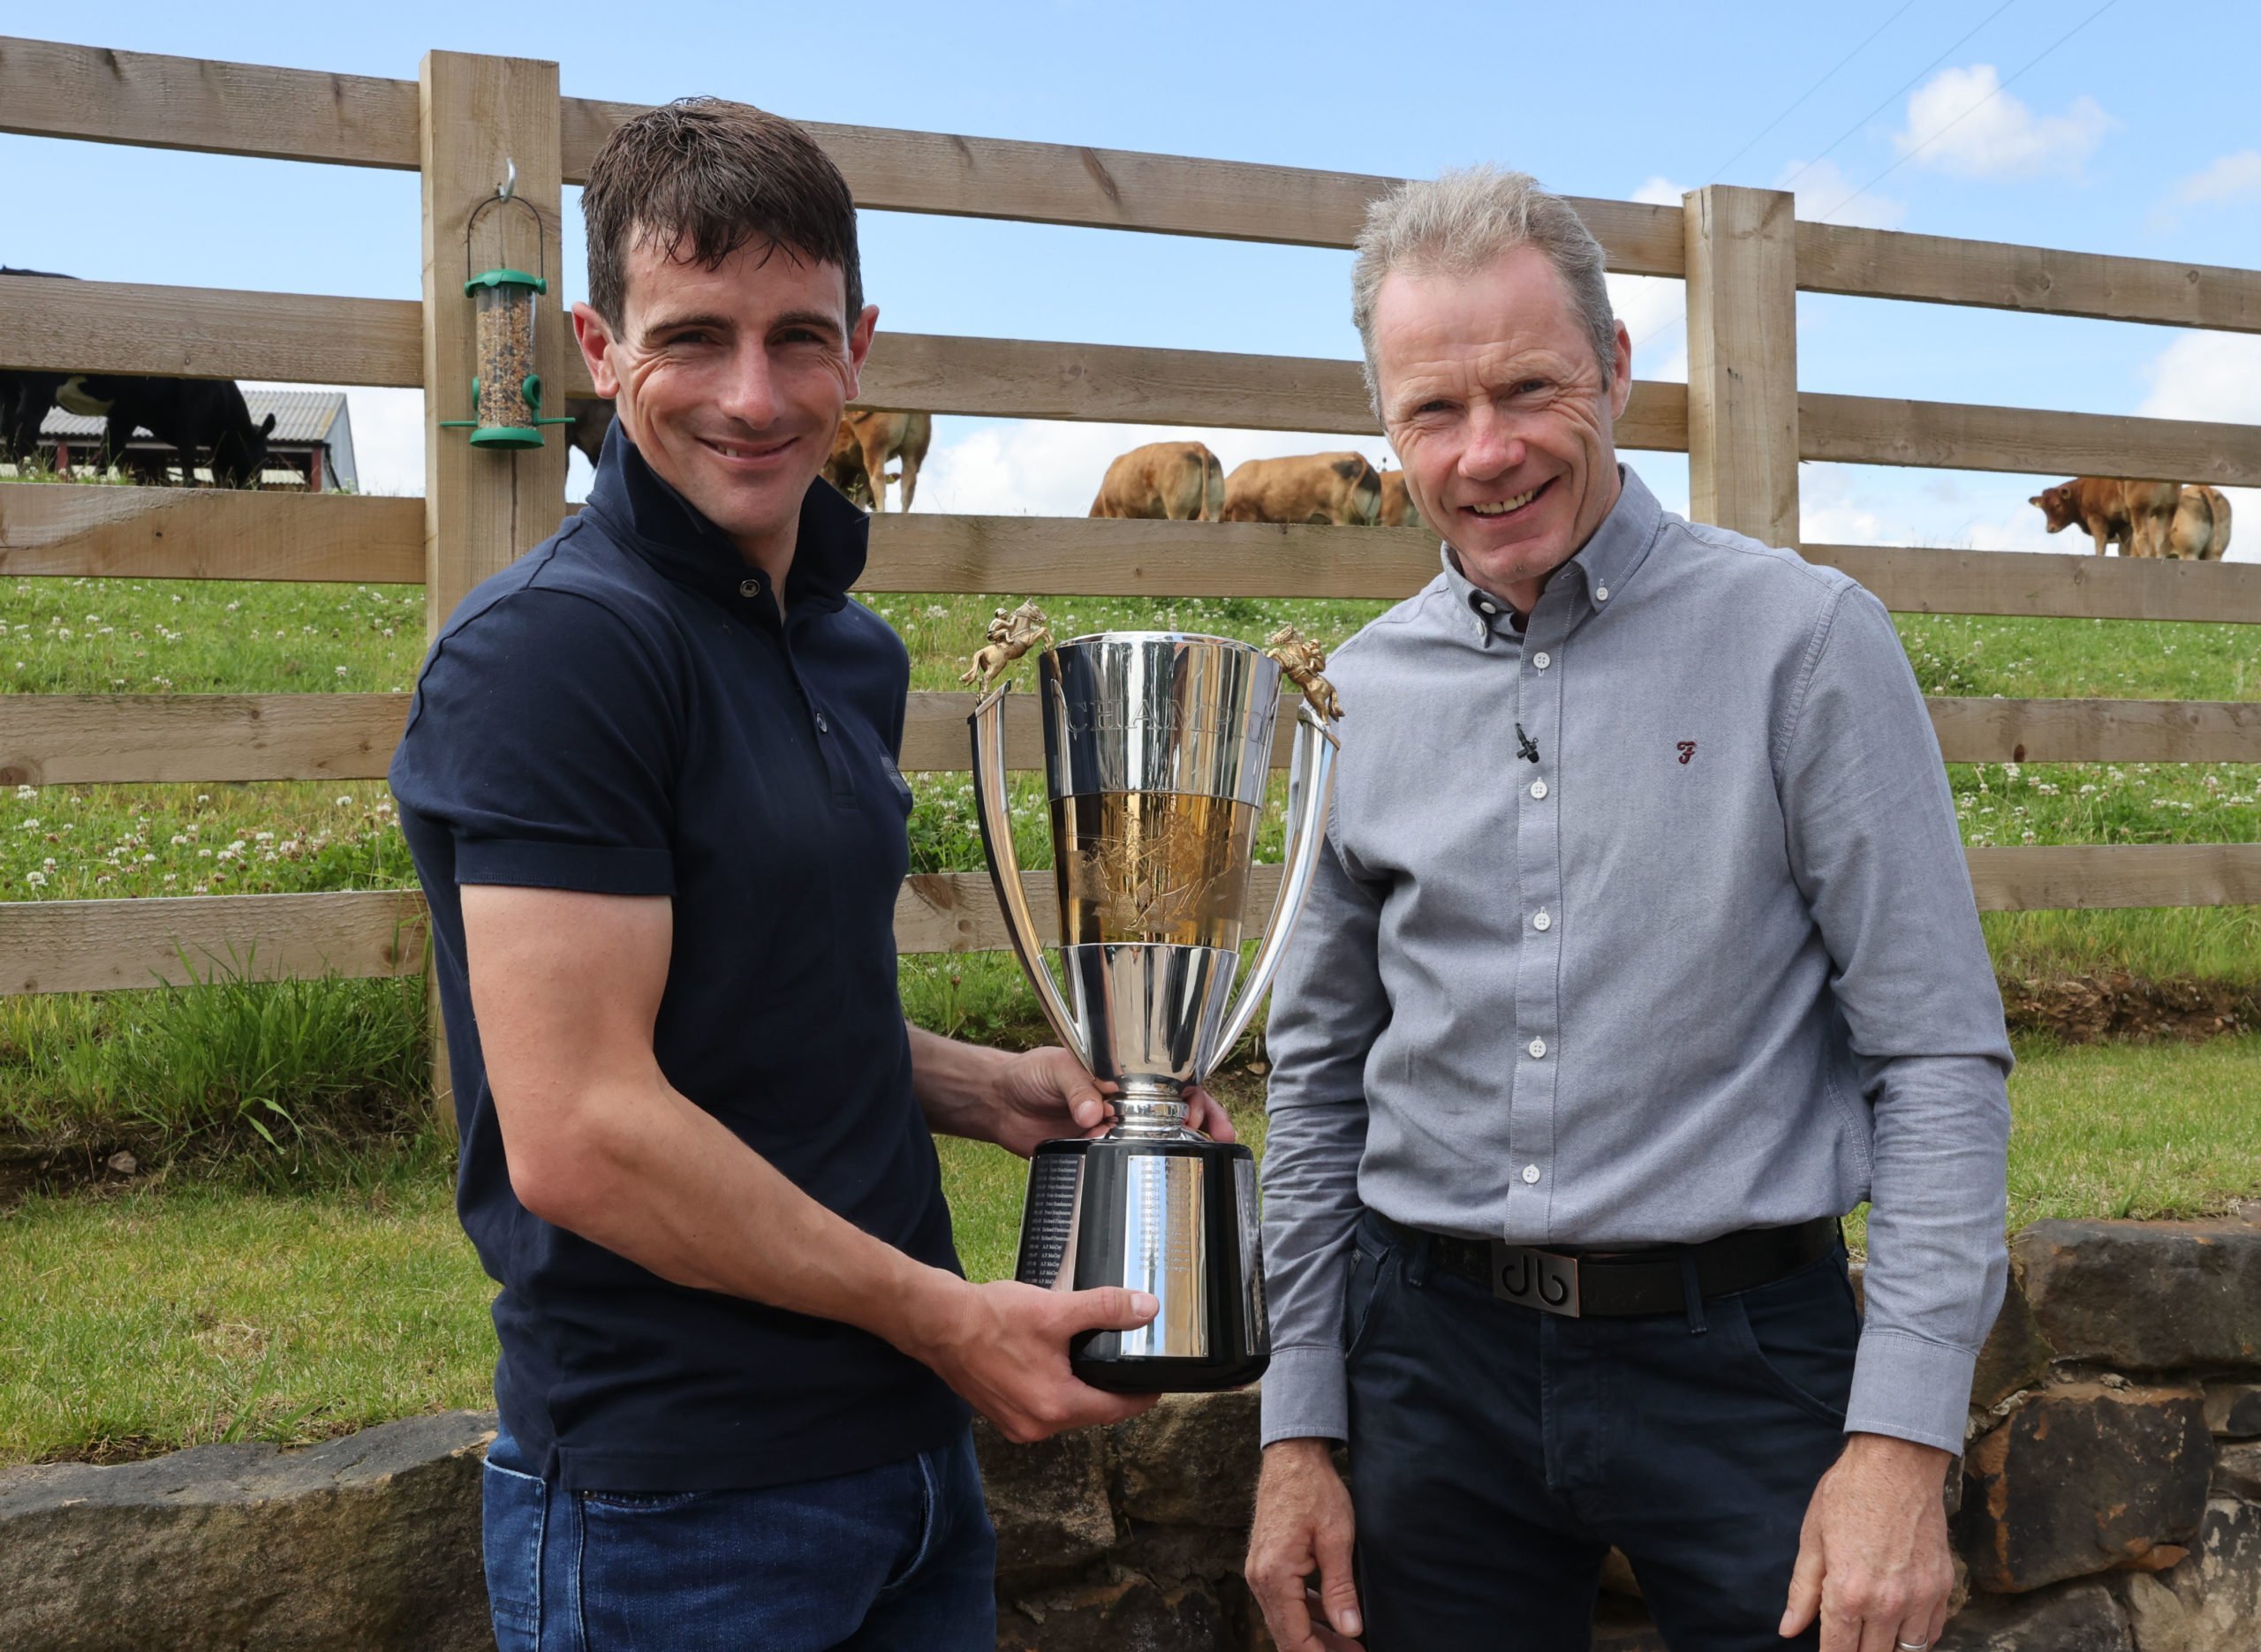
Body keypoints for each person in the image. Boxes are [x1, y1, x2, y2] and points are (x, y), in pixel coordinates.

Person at [389, 98, 1232, 1652]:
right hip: (679, 1508)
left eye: (799, 337)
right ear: (596, 345)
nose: (754, 395)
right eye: (693, 337)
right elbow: (579, 1134)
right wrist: (948, 1319)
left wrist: (988, 1089)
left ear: (863, 344)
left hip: (905, 1469)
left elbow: (746, 1000)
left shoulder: (844, 643)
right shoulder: (553, 658)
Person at [1243, 166, 2011, 1652]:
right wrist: (1297, 1434)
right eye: (1431, 413)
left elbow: (1936, 1059)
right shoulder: (1353, 695)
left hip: (1746, 1369)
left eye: (1529, 388)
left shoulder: (1806, 646)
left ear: (1616, 369)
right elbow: (1319, 1082)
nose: (1485, 453)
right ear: (1383, 426)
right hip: (1430, 1370)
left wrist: (1904, 1442)